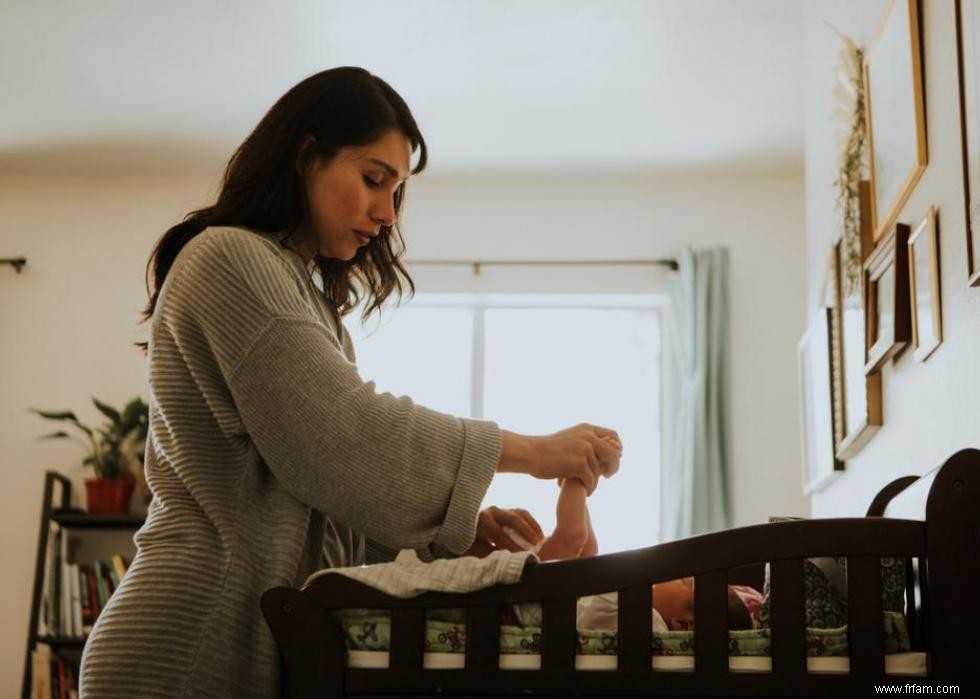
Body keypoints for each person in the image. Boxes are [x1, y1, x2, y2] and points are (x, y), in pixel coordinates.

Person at [78, 66, 622, 698]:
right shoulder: (228, 257)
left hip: (242, 637)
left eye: (396, 192)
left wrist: (459, 531)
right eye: (373, 180)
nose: (387, 214)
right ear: (306, 156)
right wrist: (533, 451)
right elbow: (342, 439)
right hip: (187, 642)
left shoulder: (310, 305)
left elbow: (321, 501)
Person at [508, 475, 759, 631]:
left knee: (572, 538)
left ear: (683, 624)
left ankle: (576, 474)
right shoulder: (643, 613)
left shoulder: (648, 622)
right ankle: (575, 480)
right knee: (587, 549)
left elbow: (595, 571)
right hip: (564, 597)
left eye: (683, 580)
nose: (674, 574)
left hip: (538, 604)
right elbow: (593, 566)